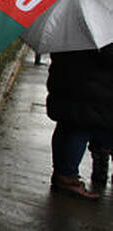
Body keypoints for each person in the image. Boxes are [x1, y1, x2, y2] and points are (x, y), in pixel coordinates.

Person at [45, 44, 113, 199]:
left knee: (65, 126)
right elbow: (108, 56)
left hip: (65, 83)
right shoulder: (100, 28)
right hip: (88, 89)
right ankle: (68, 178)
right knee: (81, 129)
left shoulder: (68, 24)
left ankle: (61, 173)